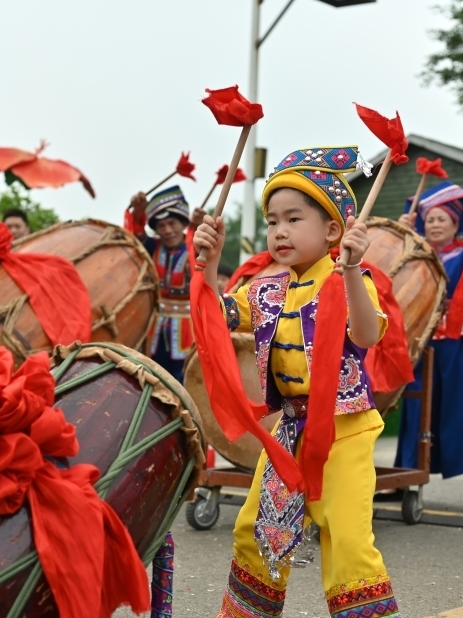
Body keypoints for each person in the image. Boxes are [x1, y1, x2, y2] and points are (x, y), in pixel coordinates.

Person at [194, 146, 401, 618]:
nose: (279, 231)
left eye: (293, 218)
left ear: (333, 230)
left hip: (343, 429)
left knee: (347, 541)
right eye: (272, 221)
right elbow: (214, 315)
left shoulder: (353, 280)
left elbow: (367, 335)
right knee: (255, 532)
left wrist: (349, 269)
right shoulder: (265, 289)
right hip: (289, 433)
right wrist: (208, 262)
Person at [384, 181, 463, 515]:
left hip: (459, 338)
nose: (435, 224)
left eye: (442, 220)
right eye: (430, 219)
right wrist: (401, 229)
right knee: (414, 411)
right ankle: (404, 480)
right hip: (420, 339)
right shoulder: (414, 254)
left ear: (455, 225)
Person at [125, 187, 205, 382]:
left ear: (183, 223)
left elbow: (204, 247)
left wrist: (198, 226)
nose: (168, 230)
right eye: (161, 226)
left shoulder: (194, 247)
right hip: (154, 329)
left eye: (172, 223)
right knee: (152, 377)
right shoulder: (152, 247)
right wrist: (137, 212)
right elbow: (135, 234)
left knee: (185, 379)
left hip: (189, 330)